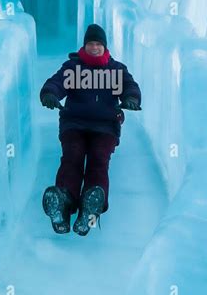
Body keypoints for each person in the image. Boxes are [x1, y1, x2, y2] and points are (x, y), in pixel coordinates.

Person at [39, 23, 142, 236]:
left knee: (98, 159)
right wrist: (49, 93)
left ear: (104, 46)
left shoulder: (116, 69)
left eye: (98, 44)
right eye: (90, 44)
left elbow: (130, 86)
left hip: (105, 127)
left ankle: (91, 206)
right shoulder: (72, 67)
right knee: (72, 156)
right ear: (84, 46)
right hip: (74, 124)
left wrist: (131, 98)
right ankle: (63, 201)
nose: (94, 47)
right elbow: (56, 83)